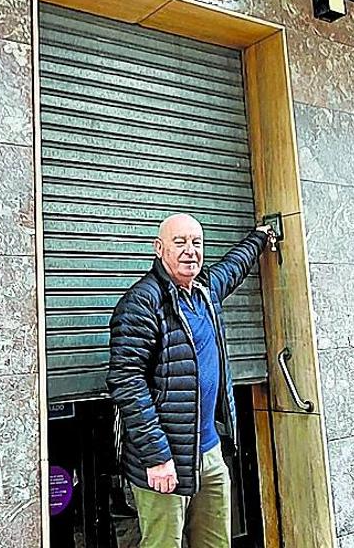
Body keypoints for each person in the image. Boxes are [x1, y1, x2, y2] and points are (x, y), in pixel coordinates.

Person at [107, 213, 274, 548]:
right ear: (159, 248)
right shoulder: (142, 302)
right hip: (163, 457)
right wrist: (156, 457)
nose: (190, 251)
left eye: (196, 243)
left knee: (216, 543)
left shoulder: (206, 292)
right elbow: (126, 380)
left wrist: (260, 238)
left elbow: (233, 266)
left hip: (209, 451)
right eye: (179, 242)